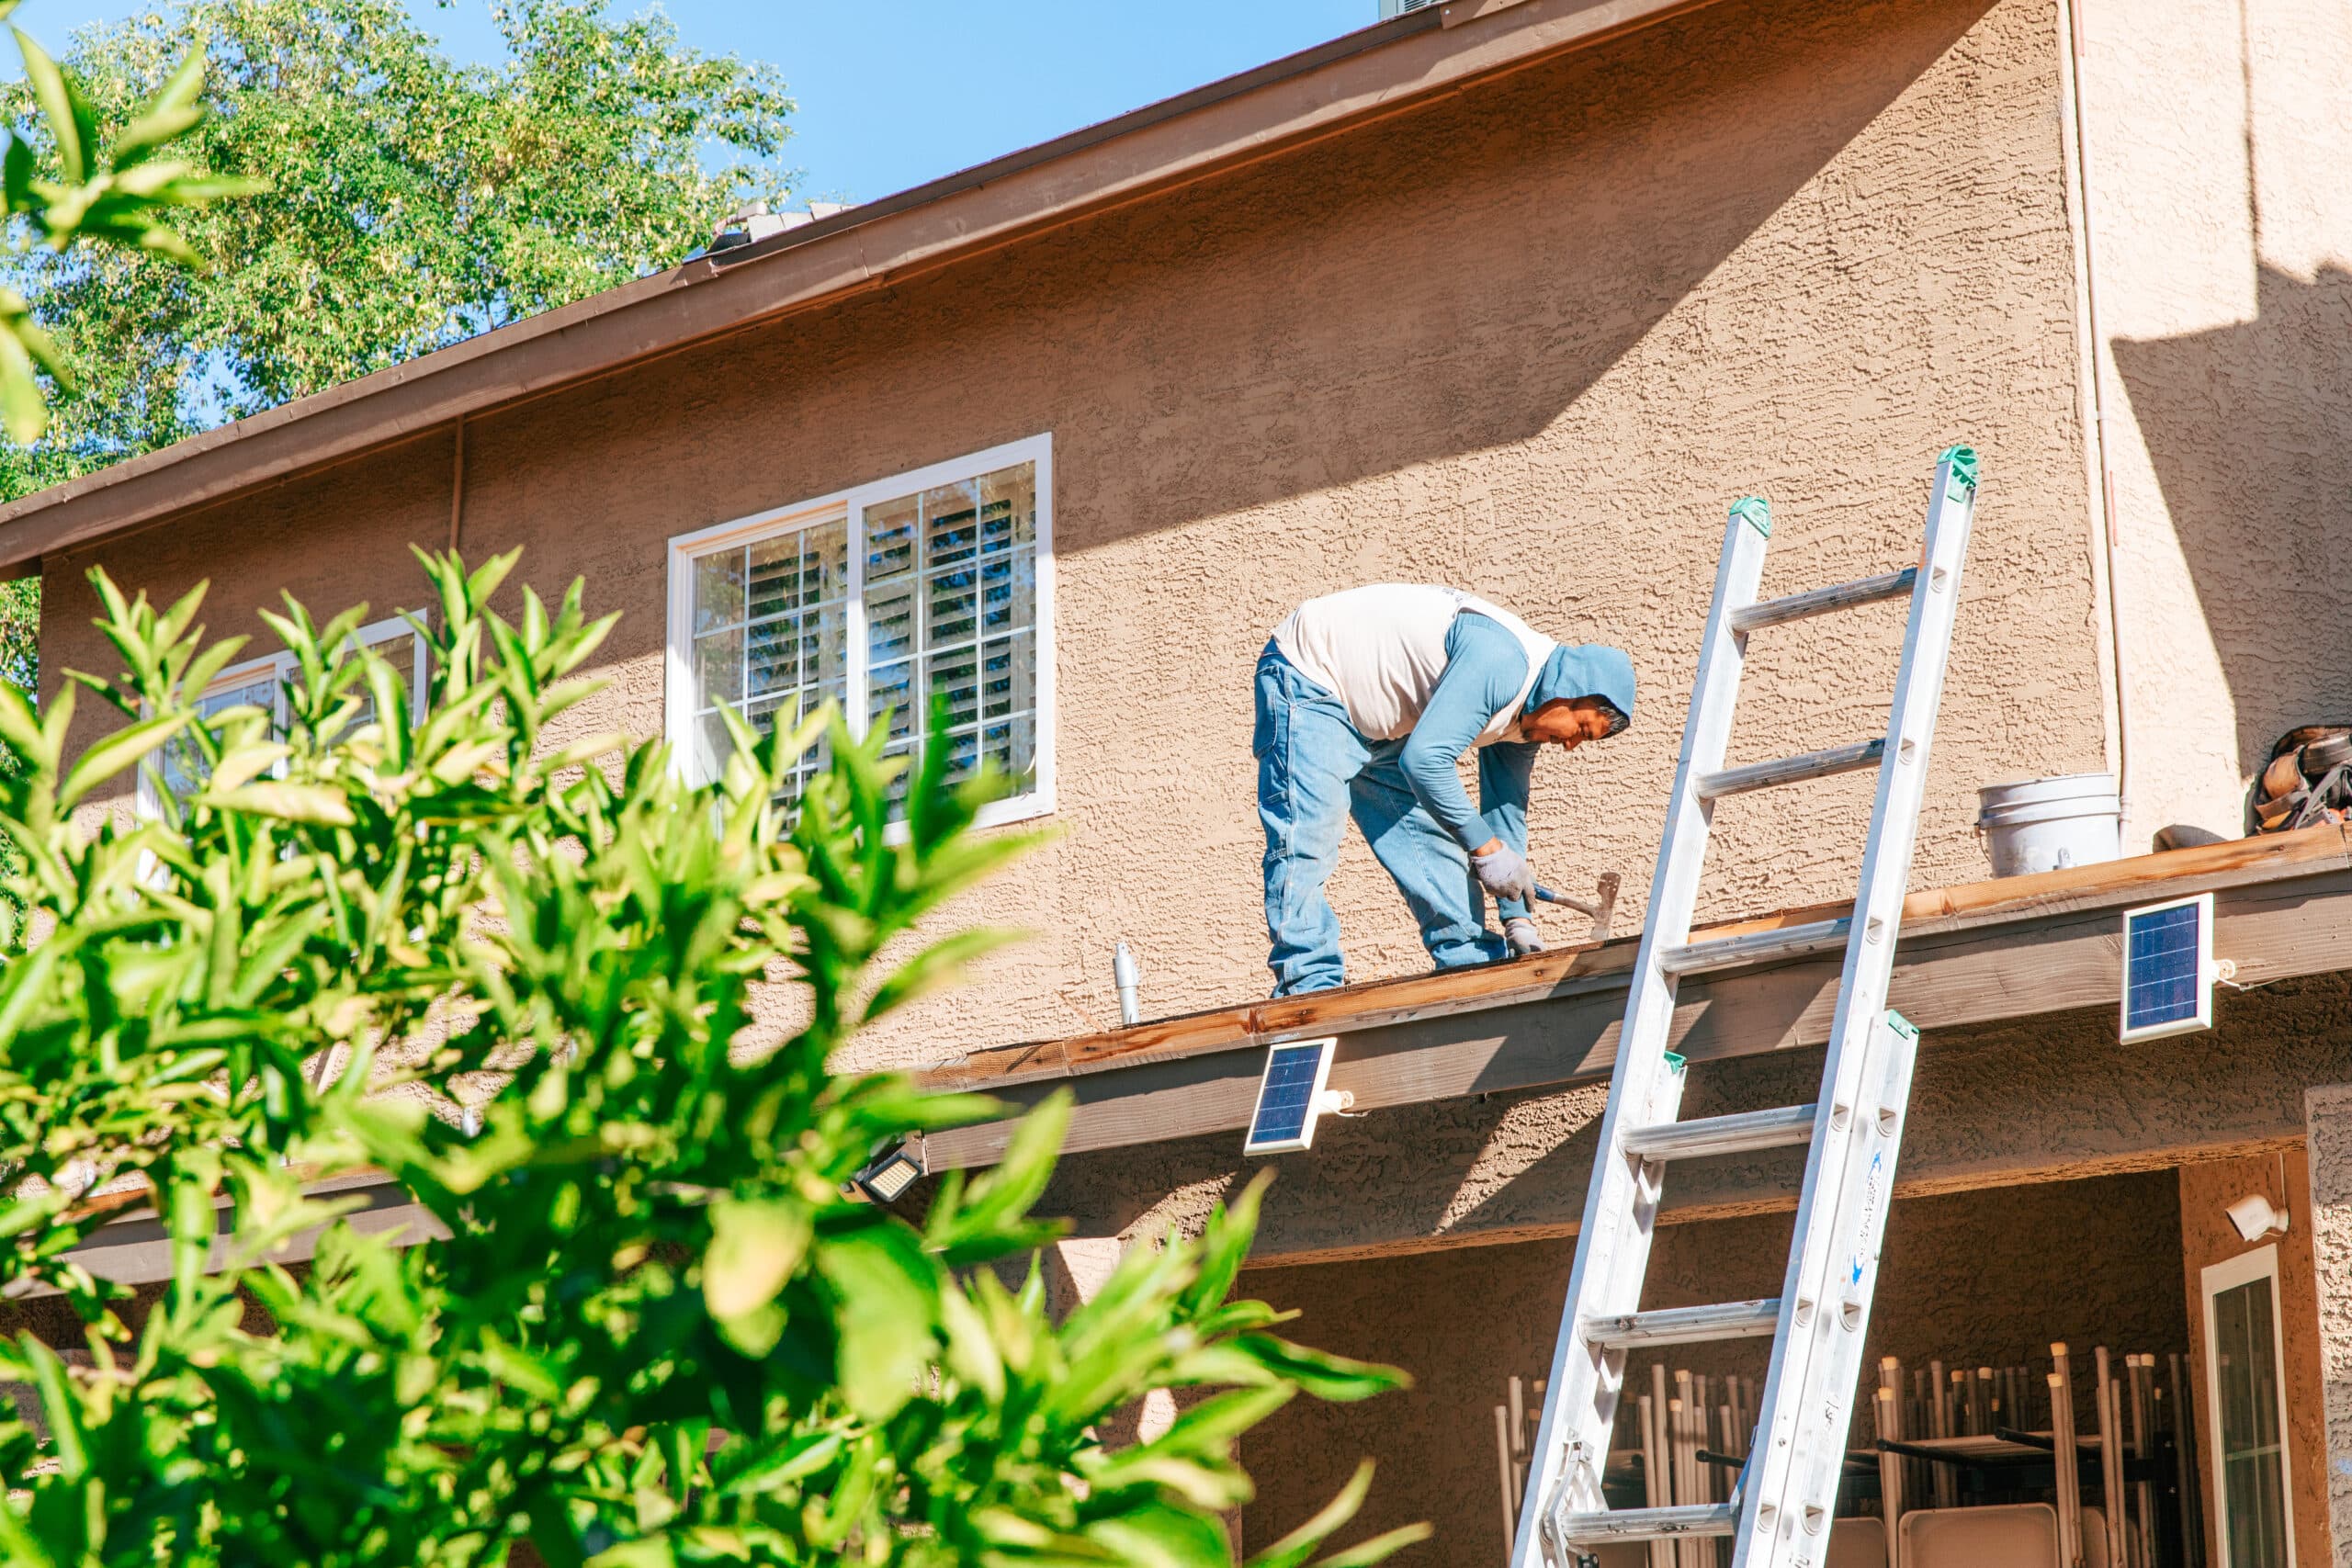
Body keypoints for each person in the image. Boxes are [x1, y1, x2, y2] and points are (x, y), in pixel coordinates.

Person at [1253, 583, 1635, 996]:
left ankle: (1471, 967)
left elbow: (1502, 819)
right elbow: (1424, 762)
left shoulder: (1524, 723)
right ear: (1570, 691)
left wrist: (1517, 919)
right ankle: (1307, 983)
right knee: (1307, 837)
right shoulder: (1502, 664)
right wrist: (1487, 849)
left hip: (1385, 723)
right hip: (1311, 676)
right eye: (1581, 729)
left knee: (1430, 843)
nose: (1571, 744)